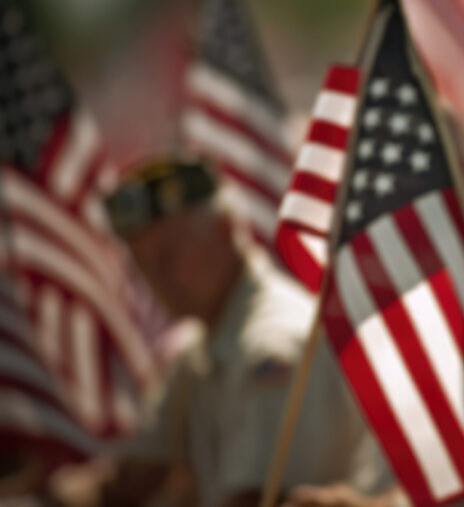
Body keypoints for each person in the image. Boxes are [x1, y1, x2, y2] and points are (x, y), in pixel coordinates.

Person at [71, 157, 389, 507]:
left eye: (168, 255)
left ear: (226, 230)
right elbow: (131, 479)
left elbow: (254, 499)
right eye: (142, 264)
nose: (156, 279)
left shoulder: (271, 345)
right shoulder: (200, 348)